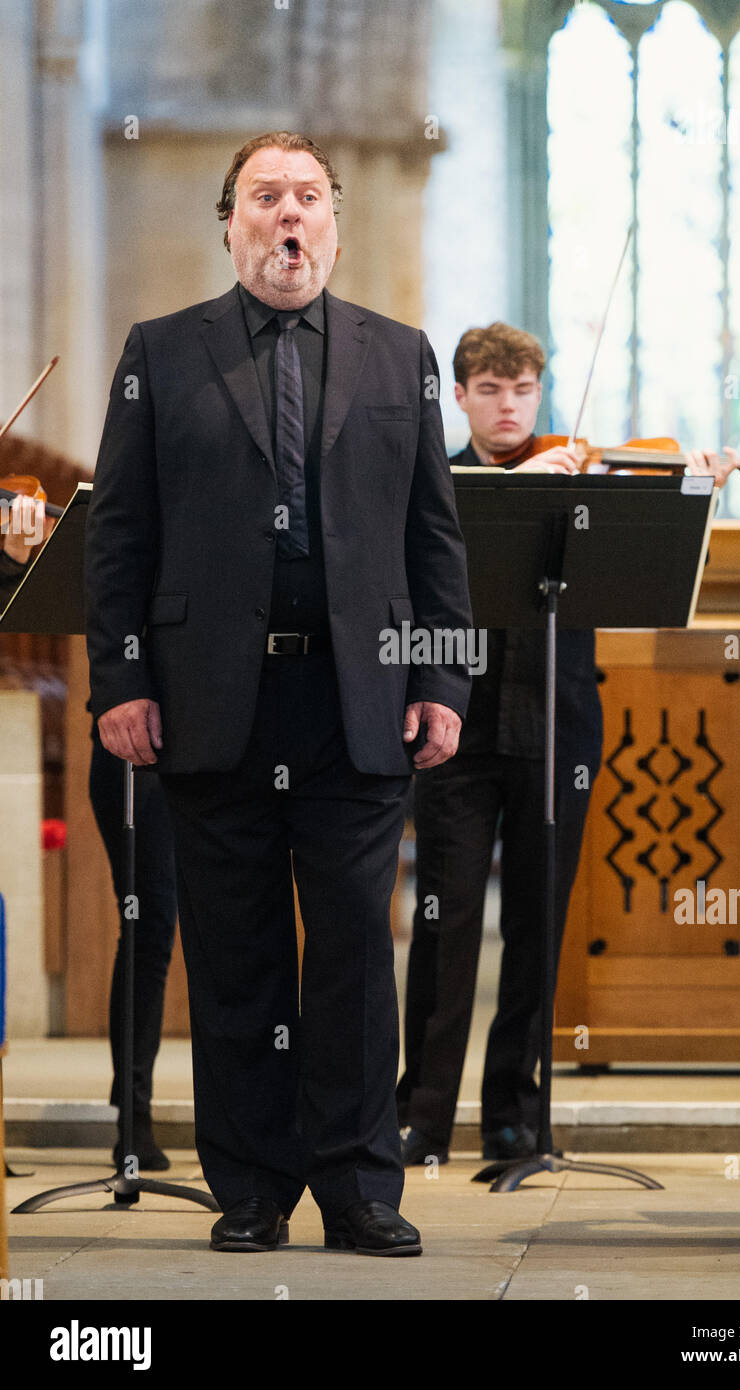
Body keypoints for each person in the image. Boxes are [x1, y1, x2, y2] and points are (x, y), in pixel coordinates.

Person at [85, 131, 473, 1255]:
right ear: (231, 221)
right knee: (235, 949)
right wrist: (121, 677)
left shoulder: (397, 354)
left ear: (334, 225)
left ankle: (357, 1184)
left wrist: (441, 675)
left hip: (356, 698)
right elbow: (120, 535)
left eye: (308, 196)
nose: (288, 216)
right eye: (267, 196)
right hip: (213, 698)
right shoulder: (160, 352)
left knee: (354, 950)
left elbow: (430, 540)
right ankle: (250, 1184)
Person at [397, 321, 739, 1163]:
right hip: (457, 729)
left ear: (539, 394)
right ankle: (422, 1117)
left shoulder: (587, 484)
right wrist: (518, 494)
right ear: (464, 397)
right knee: (447, 922)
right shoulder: (438, 483)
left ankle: (517, 1116)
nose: (508, 407)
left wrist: (694, 490)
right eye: (489, 390)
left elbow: (653, 565)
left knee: (537, 928)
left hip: (560, 724)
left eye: (521, 391)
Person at [1, 486, 176, 1169]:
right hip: (132, 737)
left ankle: (245, 1116)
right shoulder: (110, 518)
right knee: (148, 919)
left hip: (224, 728)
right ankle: (132, 1114)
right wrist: (16, 557)